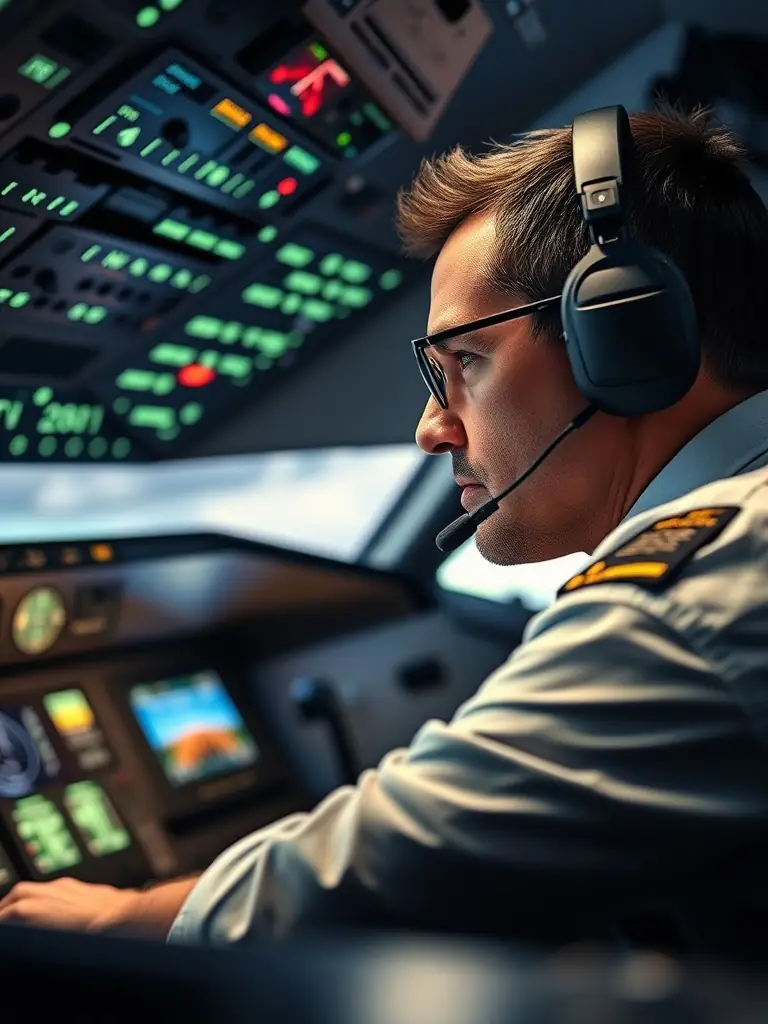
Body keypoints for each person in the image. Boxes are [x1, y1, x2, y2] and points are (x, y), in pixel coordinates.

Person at [4, 103, 768, 953]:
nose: (431, 428)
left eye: (464, 363)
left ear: (628, 336)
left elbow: (409, 854)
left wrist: (114, 920)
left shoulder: (700, 588)